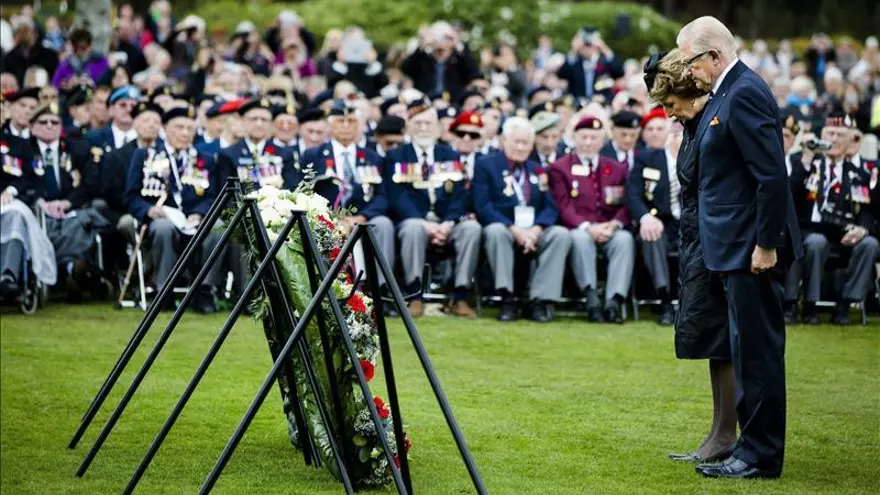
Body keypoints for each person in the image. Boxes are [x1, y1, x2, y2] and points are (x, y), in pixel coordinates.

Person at [677, 16, 802, 479]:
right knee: (744, 348)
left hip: (751, 248)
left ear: (713, 55)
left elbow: (770, 175)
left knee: (758, 353)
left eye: (691, 60)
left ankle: (759, 455)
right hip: (732, 246)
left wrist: (766, 244)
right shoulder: (727, 92)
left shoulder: (744, 91)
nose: (688, 72)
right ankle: (746, 447)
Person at [644, 50, 738, 465]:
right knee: (711, 340)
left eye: (670, 104)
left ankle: (726, 435)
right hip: (699, 241)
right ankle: (718, 434)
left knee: (724, 342)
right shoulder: (693, 125)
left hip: (720, 243)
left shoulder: (715, 122)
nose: (666, 113)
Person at [383, 98, 481, 317]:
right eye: (418, 123)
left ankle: (459, 296)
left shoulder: (451, 156)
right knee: (412, 229)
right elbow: (397, 196)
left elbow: (460, 195)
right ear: (408, 126)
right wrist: (425, 224)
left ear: (438, 128)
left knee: (472, 229)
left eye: (428, 123)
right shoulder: (396, 157)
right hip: (414, 221)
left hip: (446, 222)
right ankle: (414, 295)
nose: (423, 128)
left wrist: (448, 223)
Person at [124, 105, 221, 313]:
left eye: (189, 128)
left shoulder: (204, 159)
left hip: (194, 221)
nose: (185, 133)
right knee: (163, 227)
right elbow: (131, 196)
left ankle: (204, 291)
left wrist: (200, 213)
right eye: (179, 127)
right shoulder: (145, 155)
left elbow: (212, 195)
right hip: (161, 219)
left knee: (218, 227)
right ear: (165, 129)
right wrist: (149, 210)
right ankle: (163, 292)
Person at [473, 117, 571, 323]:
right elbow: (482, 205)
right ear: (503, 140)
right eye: (516, 141)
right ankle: (507, 298)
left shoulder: (537, 169)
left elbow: (550, 206)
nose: (520, 147)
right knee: (495, 231)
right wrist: (513, 229)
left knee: (560, 235)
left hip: (533, 230)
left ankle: (539, 300)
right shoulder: (486, 165)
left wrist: (536, 230)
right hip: (504, 227)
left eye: (525, 143)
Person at [784, 111, 878, 325]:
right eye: (830, 133)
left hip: (846, 235)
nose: (834, 139)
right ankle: (809, 306)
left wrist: (862, 229)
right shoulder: (805, 163)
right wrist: (807, 158)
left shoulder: (860, 172)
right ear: (822, 136)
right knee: (816, 242)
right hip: (812, 232)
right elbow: (789, 197)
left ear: (849, 141)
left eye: (840, 135)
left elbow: (869, 209)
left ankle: (844, 305)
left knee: (870, 244)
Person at [296, 99, 396, 297]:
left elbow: (382, 196)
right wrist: (330, 217)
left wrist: (361, 218)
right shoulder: (313, 155)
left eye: (351, 121)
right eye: (341, 120)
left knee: (384, 224)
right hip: (326, 216)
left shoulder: (372, 158)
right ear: (330, 125)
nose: (346, 126)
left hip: (363, 217)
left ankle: (380, 289)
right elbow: (304, 193)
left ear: (360, 126)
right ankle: (325, 291)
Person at [548, 115, 634, 323]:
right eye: (583, 137)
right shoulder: (560, 168)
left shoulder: (616, 168)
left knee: (625, 240)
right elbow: (563, 205)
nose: (588, 142)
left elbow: (626, 203)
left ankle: (614, 301)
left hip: (609, 227)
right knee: (581, 239)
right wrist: (587, 227)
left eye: (593, 138)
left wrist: (614, 225)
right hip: (580, 228)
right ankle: (592, 298)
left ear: (603, 140)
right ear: (574, 138)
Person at [28, 103, 106, 301]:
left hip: (72, 209)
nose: (49, 126)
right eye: (43, 122)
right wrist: (40, 202)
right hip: (36, 210)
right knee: (46, 224)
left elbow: (89, 183)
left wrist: (67, 203)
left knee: (81, 221)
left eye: (54, 122)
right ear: (32, 127)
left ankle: (71, 271)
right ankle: (72, 267)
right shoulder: (23, 150)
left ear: (61, 126)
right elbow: (19, 180)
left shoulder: (77, 149)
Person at [626, 116, 683, 326]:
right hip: (661, 223)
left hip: (689, 223)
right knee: (651, 236)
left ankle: (698, 303)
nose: (679, 138)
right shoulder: (647, 158)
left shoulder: (697, 159)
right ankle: (665, 299)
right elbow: (632, 194)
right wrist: (645, 217)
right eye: (676, 133)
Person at [402, 21, 480, 104]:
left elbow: (473, 73)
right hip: (426, 103)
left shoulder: (458, 59)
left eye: (445, 37)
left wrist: (458, 45)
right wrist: (422, 45)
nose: (441, 41)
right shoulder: (423, 58)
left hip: (453, 103)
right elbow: (406, 69)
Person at [85, 85, 140, 157]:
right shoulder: (94, 137)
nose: (129, 110)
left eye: (133, 106)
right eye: (123, 105)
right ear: (111, 109)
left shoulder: (146, 137)